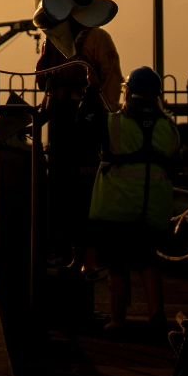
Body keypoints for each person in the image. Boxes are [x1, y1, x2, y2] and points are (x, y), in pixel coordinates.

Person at [87, 66, 180, 333]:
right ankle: (156, 315)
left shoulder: (114, 123)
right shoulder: (169, 128)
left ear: (128, 92)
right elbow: (174, 162)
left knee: (117, 267)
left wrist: (93, 89)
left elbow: (90, 129)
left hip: (116, 209)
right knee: (148, 262)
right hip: (153, 209)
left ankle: (117, 320)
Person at [35, 21, 122, 263]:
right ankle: (68, 250)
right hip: (64, 124)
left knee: (86, 193)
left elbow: (110, 84)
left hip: (86, 127)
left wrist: (103, 119)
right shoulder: (54, 38)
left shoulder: (95, 38)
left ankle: (84, 253)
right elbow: (44, 80)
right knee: (63, 190)